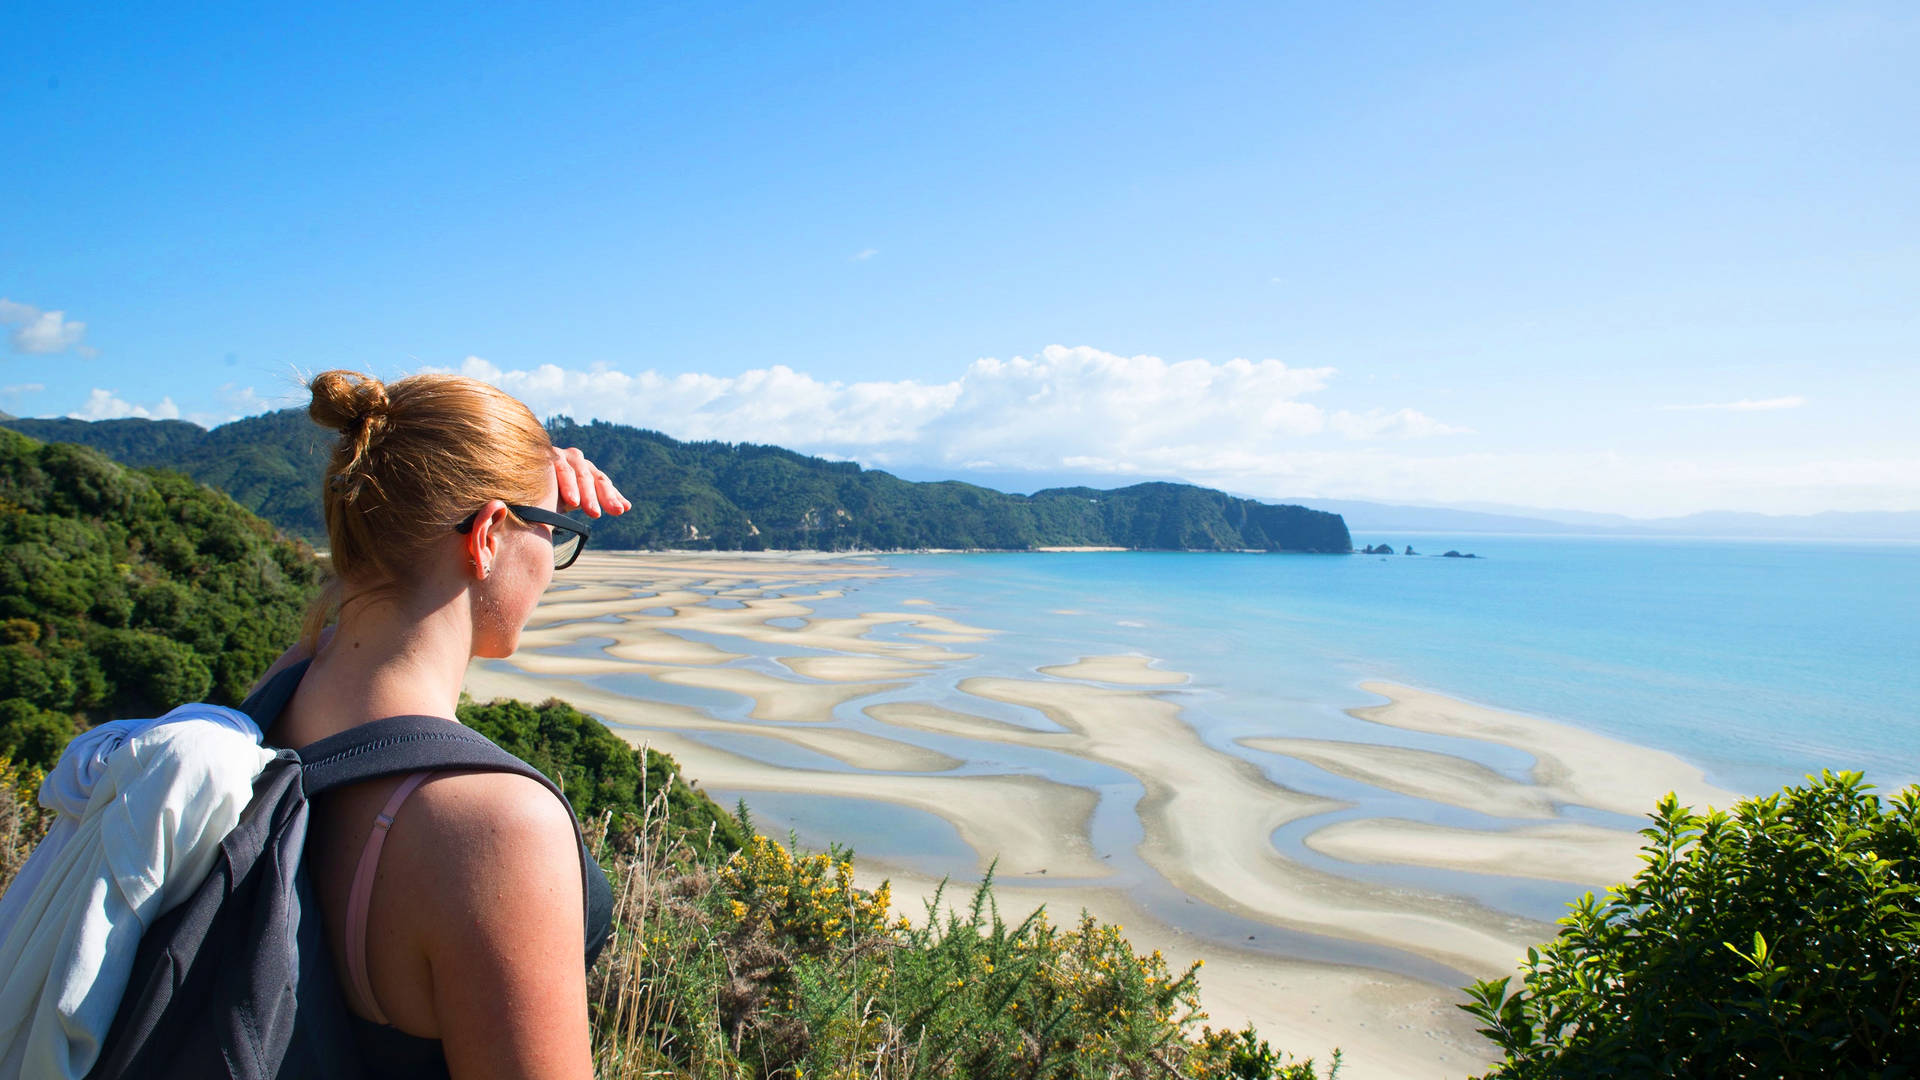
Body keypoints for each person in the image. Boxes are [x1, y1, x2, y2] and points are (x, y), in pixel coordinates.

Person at [254, 369, 631, 1080]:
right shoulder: (498, 827)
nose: (552, 565)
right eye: (556, 535)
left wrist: (522, 470)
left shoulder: (282, 690)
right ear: (486, 536)